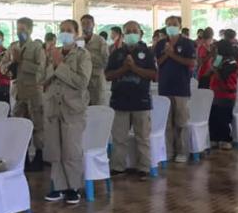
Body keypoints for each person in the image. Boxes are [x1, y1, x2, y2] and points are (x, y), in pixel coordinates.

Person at [43, 19, 92, 204]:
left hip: (73, 109)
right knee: (55, 149)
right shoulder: (52, 53)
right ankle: (58, 186)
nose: (65, 33)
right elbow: (42, 77)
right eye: (62, 29)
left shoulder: (82, 55)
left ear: (76, 33)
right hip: (53, 107)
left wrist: (59, 65)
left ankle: (73, 187)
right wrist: (53, 63)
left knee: (71, 149)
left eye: (69, 30)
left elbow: (82, 82)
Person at [105, 21, 156, 181]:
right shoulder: (116, 53)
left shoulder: (147, 53)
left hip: (141, 101)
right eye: (128, 31)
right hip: (119, 101)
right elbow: (108, 75)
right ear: (123, 35)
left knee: (143, 137)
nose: (131, 34)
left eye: (135, 31)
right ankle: (118, 167)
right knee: (119, 138)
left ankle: (144, 168)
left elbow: (154, 75)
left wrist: (134, 68)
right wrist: (124, 69)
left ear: (140, 34)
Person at [1, 17, 45, 171]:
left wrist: (22, 62)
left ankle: (39, 156)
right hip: (17, 92)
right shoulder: (12, 47)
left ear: (30, 30)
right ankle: (22, 157)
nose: (20, 32)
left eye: (23, 29)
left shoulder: (36, 47)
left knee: (38, 125)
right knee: (18, 125)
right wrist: (12, 63)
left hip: (33, 91)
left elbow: (41, 70)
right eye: (18, 29)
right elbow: (2, 67)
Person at [153, 16, 196, 163]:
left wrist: (173, 54)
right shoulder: (160, 44)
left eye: (174, 24)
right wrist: (167, 53)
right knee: (167, 122)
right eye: (169, 24)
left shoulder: (187, 43)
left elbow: (191, 62)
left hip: (181, 87)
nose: (171, 26)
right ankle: (169, 151)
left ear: (180, 26)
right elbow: (158, 62)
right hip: (165, 87)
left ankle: (182, 151)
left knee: (181, 122)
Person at [207, 39, 238, 150]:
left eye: (216, 48)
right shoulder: (219, 59)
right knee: (213, 117)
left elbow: (222, 78)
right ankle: (214, 138)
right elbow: (210, 73)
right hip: (215, 93)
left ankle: (226, 140)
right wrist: (212, 61)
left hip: (226, 94)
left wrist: (215, 69)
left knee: (224, 118)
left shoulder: (231, 62)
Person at [80, 14, 109, 106]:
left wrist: (87, 55)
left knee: (98, 106)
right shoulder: (78, 41)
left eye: (88, 23)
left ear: (93, 25)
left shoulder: (100, 40)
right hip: (82, 80)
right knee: (83, 107)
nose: (86, 26)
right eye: (83, 23)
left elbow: (105, 60)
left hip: (97, 80)